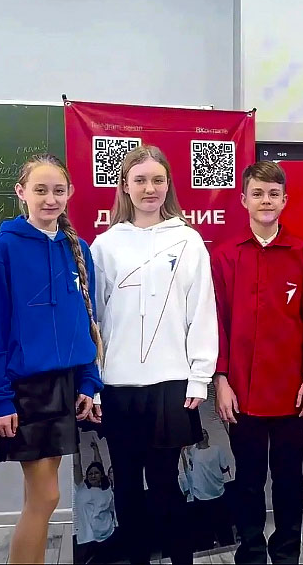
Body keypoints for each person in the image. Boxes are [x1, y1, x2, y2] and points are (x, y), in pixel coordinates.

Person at [90, 144, 218, 565]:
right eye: (140, 180)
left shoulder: (188, 240)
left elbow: (201, 311)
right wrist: (94, 383)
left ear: (168, 185)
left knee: (166, 485)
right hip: (118, 387)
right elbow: (94, 321)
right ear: (124, 185)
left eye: (157, 180)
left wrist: (199, 375)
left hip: (170, 384)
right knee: (127, 487)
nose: (150, 189)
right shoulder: (105, 245)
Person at [0, 153, 104, 564]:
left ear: (70, 193)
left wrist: (88, 381)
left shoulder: (78, 249)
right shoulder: (5, 248)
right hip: (26, 389)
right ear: (21, 192)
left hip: (66, 385)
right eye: (40, 190)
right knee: (46, 496)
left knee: (41, 497)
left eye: (58, 190)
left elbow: (86, 320)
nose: (50, 199)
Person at [211, 160, 303, 564]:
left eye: (273, 194)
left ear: (284, 200)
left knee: (288, 479)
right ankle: (250, 553)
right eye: (257, 193)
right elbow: (217, 321)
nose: (265, 200)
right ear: (243, 199)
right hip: (240, 392)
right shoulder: (225, 256)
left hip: (292, 392)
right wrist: (221, 380)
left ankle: (286, 554)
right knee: (247, 480)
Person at [181, 429, 236, 551]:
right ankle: (206, 548)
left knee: (223, 525)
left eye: (205, 432)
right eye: (200, 433)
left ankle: (228, 546)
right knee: (204, 529)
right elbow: (187, 466)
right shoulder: (192, 451)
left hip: (217, 491)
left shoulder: (216, 450)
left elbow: (224, 467)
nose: (203, 435)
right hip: (200, 495)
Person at [73, 440, 120, 564]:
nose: (93, 475)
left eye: (96, 473)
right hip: (87, 538)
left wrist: (96, 449)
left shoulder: (107, 490)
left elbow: (100, 465)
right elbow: (77, 465)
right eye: (90, 473)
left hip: (107, 536)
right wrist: (75, 445)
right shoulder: (82, 487)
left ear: (101, 475)